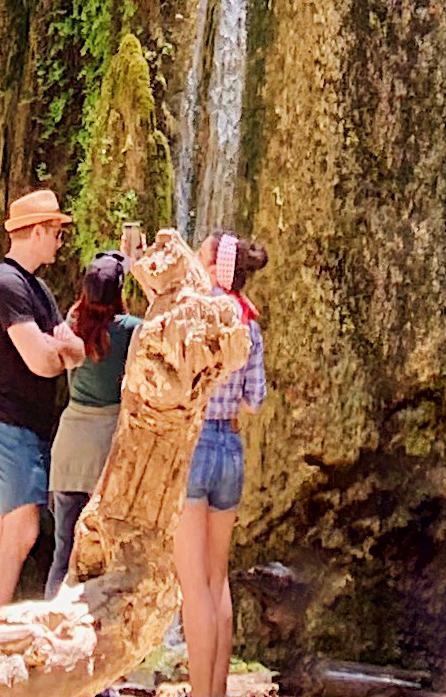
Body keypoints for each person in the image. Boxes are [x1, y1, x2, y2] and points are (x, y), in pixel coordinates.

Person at [0, 185, 85, 607]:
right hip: (8, 425)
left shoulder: (37, 289)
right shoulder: (6, 285)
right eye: (57, 231)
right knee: (21, 528)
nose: (60, 240)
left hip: (24, 426)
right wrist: (60, 352)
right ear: (37, 231)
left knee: (9, 527)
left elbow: (68, 347)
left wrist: (60, 350)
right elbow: (43, 360)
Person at [175, 231, 266, 697]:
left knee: (194, 587)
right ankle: (216, 691)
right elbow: (254, 401)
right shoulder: (248, 322)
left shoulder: (197, 313)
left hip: (193, 445)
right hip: (230, 445)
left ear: (214, 267)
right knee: (217, 578)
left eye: (202, 252)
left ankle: (198, 694)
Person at [49, 242, 138, 589]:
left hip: (69, 448)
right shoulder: (131, 329)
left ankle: (49, 626)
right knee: (103, 560)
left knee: (62, 555)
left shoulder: (72, 323)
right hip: (106, 453)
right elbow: (165, 320)